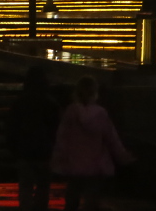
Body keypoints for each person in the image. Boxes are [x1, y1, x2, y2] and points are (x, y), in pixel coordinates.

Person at [51, 76, 134, 211]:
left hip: (74, 163)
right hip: (95, 165)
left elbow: (62, 138)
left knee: (72, 198)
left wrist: (59, 159)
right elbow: (111, 138)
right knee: (91, 201)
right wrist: (123, 156)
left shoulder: (70, 112)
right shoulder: (101, 114)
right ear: (95, 93)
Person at [6, 66, 60, 210]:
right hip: (44, 151)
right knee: (43, 187)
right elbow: (55, 129)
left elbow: (12, 127)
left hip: (24, 151)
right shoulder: (50, 103)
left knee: (25, 187)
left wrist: (14, 149)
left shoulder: (19, 103)